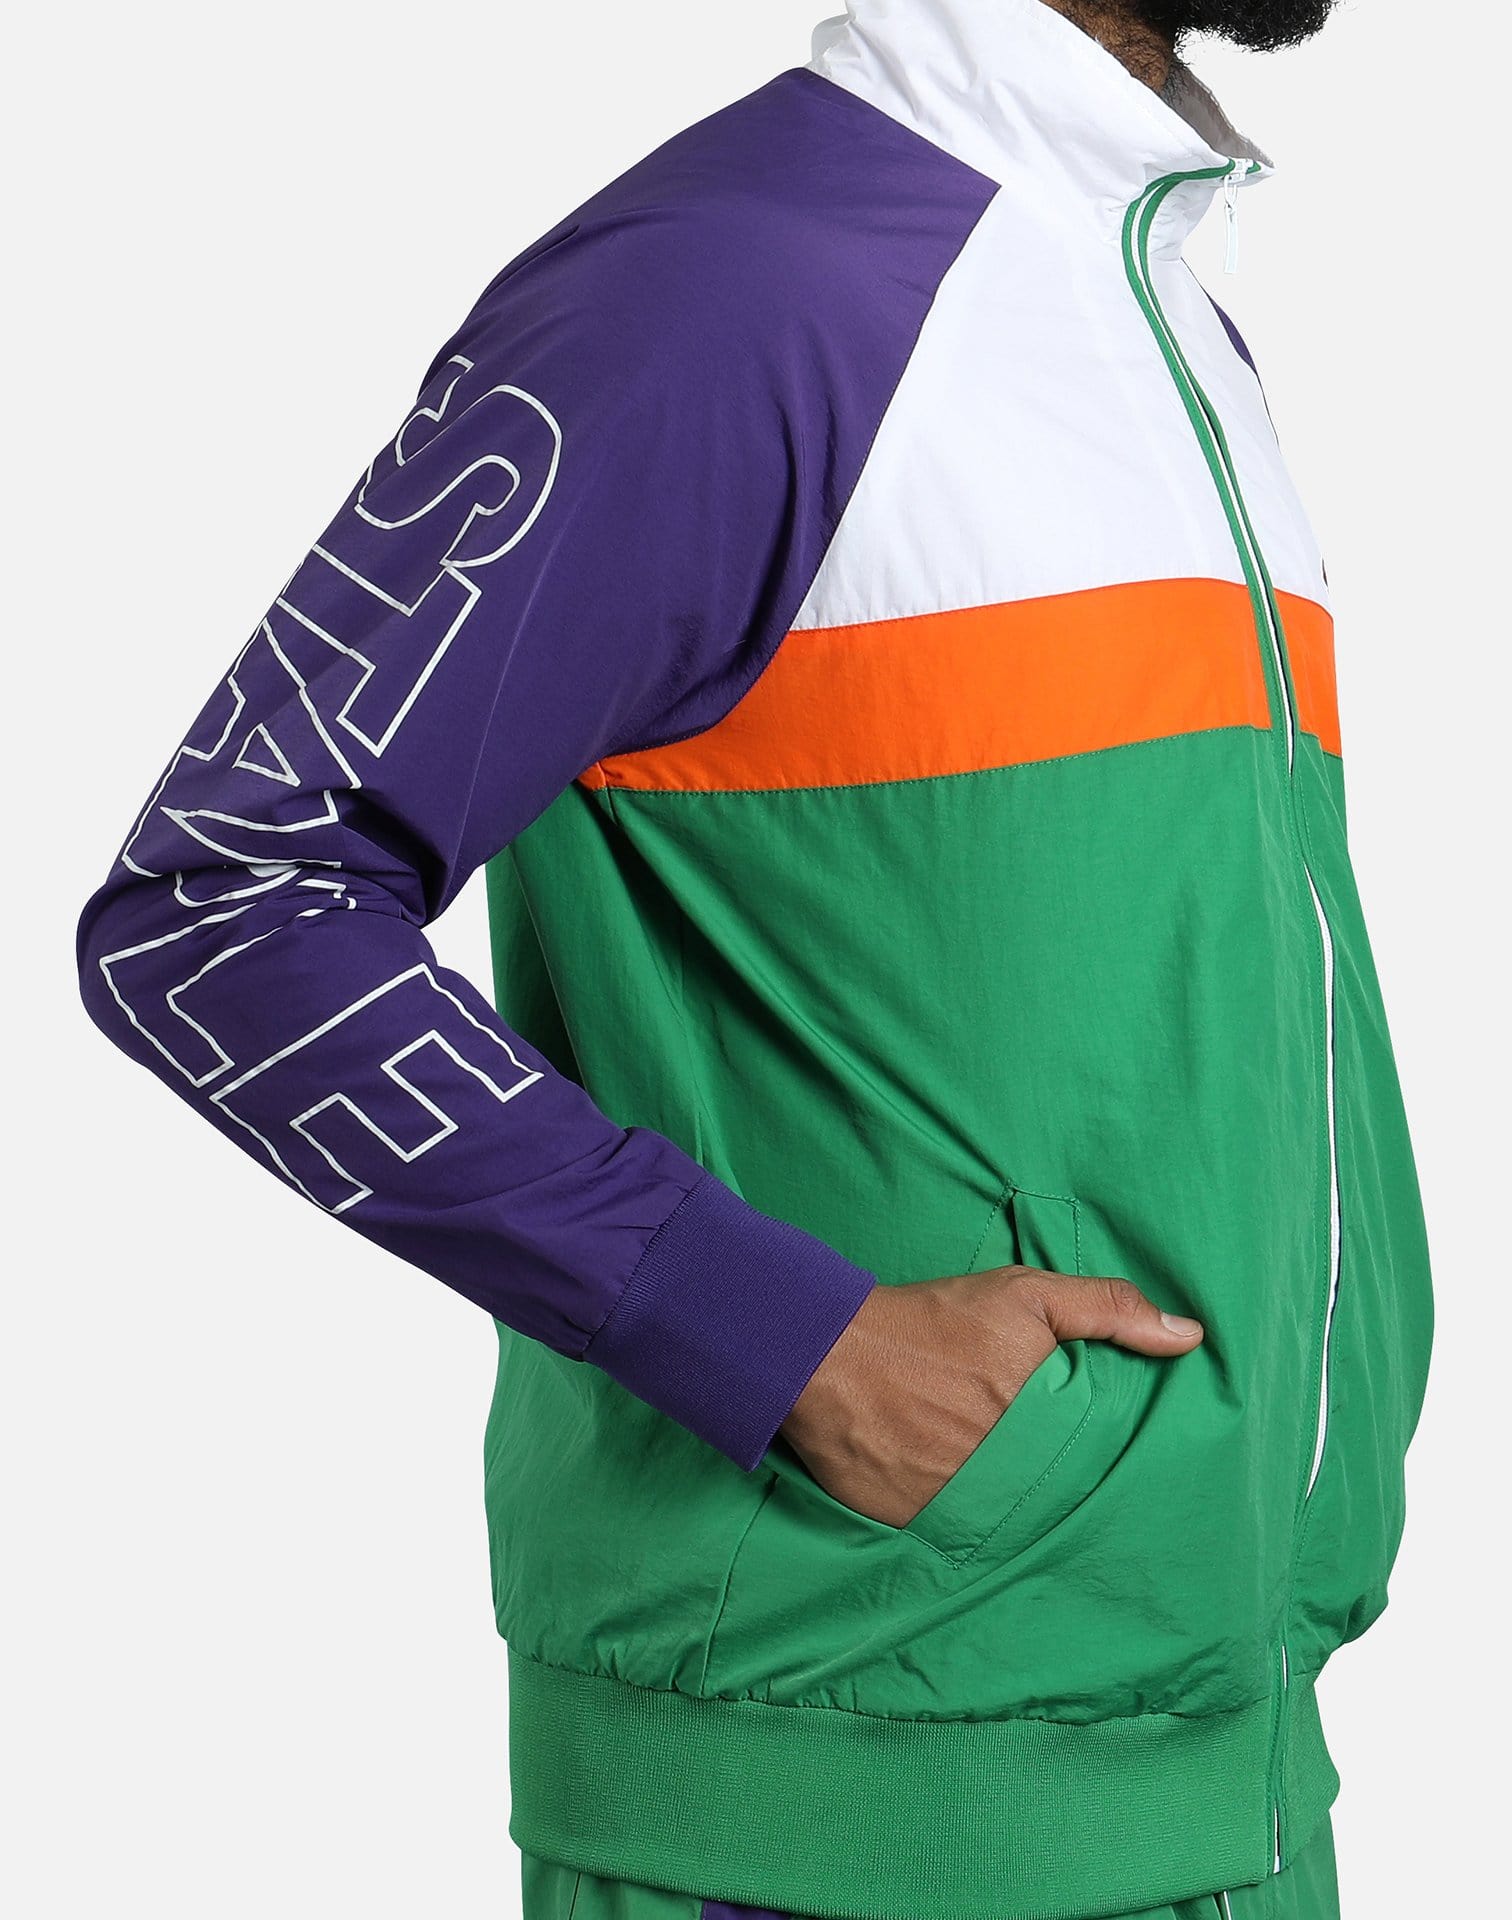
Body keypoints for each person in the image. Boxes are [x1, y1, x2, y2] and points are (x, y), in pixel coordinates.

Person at [74, 1, 1434, 1916]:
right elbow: (224, 903)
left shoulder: (1146, 305)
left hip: (1230, 1776)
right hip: (839, 1798)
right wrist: (783, 1338)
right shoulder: (740, 288)